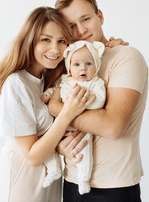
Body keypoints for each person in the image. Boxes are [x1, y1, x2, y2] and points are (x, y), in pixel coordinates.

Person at [48, 0, 149, 202]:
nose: (81, 30)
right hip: (72, 182)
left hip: (114, 188)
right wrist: (58, 145)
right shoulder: (66, 64)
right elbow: (45, 124)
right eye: (71, 26)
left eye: (86, 19)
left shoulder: (126, 57)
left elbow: (112, 127)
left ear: (99, 16)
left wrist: (58, 108)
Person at [0, 6, 95, 202]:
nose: (55, 49)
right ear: (30, 40)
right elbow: (32, 155)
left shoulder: (50, 79)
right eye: (46, 40)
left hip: (48, 182)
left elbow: (89, 62)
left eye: (62, 41)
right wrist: (66, 114)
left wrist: (112, 46)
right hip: (21, 182)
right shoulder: (16, 83)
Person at [41, 40, 106, 194]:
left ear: (96, 66)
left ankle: (84, 179)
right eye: (76, 64)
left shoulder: (96, 83)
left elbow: (99, 101)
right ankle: (53, 169)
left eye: (89, 64)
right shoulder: (66, 80)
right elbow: (55, 89)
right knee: (45, 141)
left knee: (84, 149)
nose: (83, 68)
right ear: (69, 67)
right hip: (60, 125)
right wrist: (47, 94)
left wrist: (81, 101)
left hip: (81, 127)